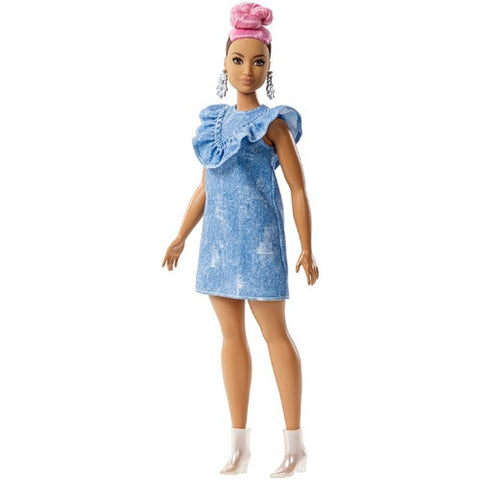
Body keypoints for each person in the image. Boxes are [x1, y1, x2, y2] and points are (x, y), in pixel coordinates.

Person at [162, 2, 318, 476]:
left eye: (258, 61)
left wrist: (307, 246)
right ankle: (240, 445)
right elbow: (205, 187)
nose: (247, 70)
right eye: (238, 59)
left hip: (261, 243)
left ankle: (295, 445)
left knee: (275, 335)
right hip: (218, 244)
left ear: (269, 67)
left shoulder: (273, 124)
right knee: (231, 337)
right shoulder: (215, 124)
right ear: (225, 62)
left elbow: (297, 188)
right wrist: (180, 236)